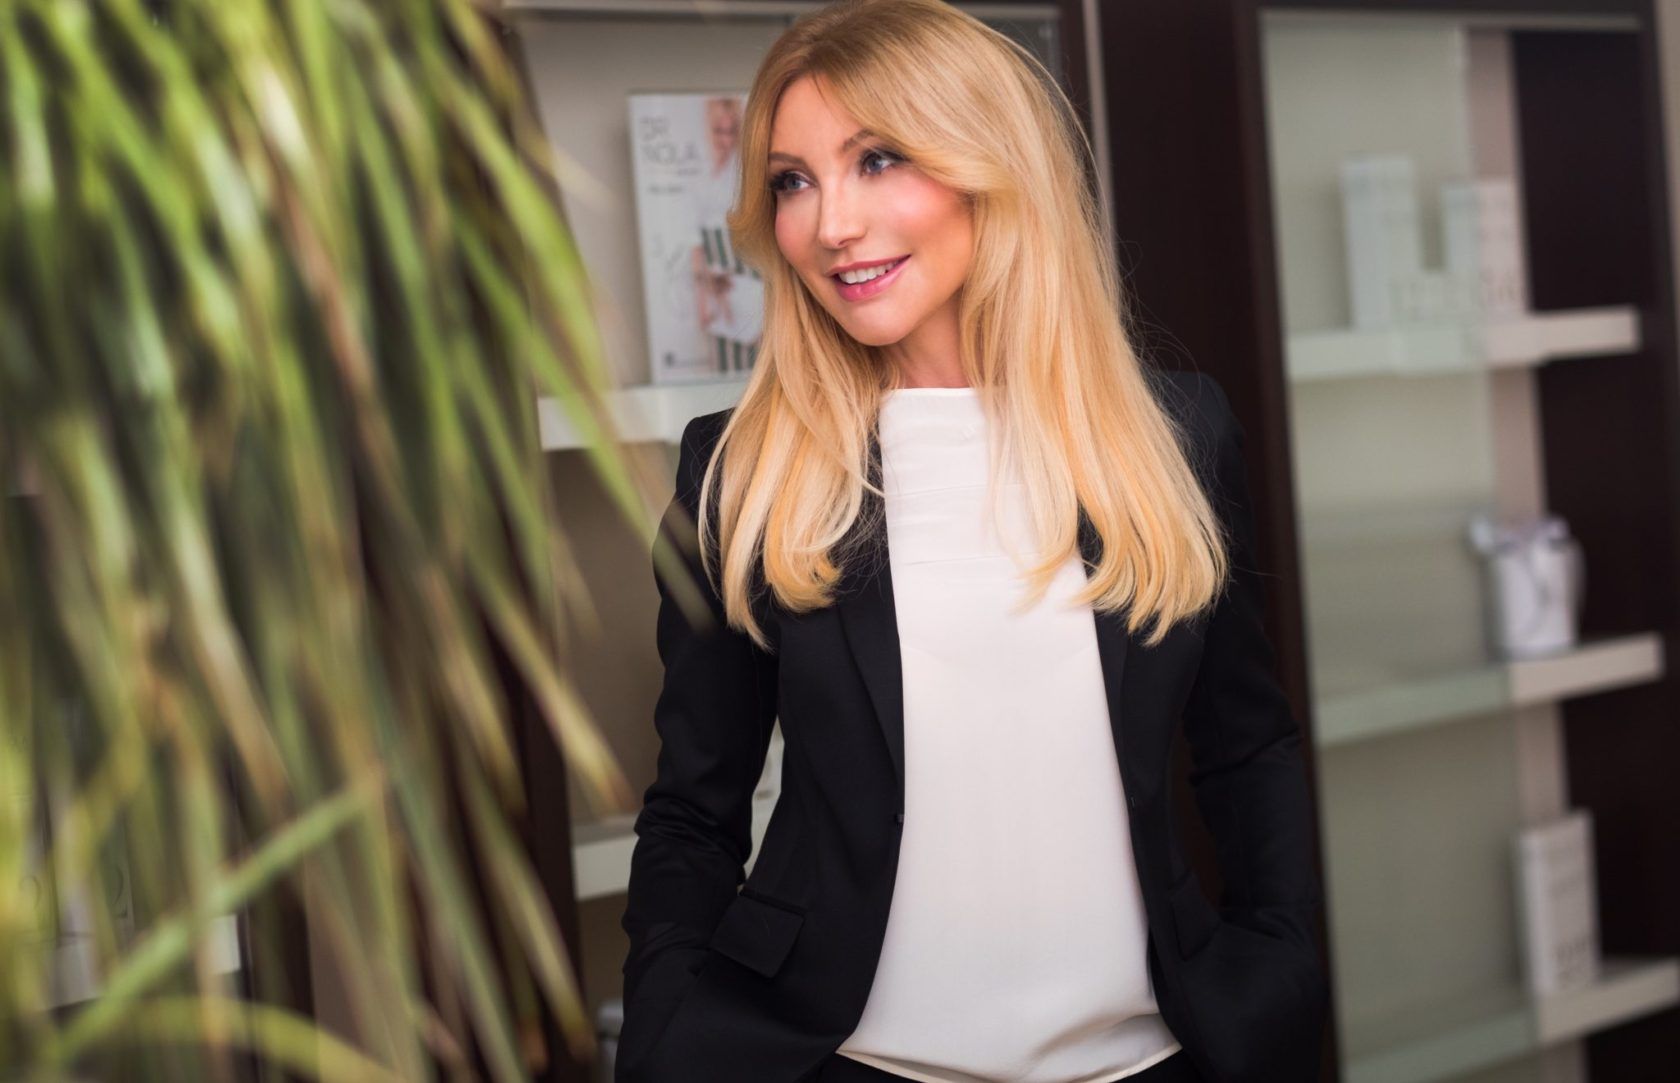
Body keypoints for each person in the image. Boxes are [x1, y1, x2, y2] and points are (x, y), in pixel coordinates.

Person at [615, 2, 1328, 1081]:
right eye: (793, 180)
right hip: (852, 1064)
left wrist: (1280, 962)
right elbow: (691, 814)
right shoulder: (741, 469)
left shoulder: (1176, 433)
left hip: (1153, 1060)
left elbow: (1246, 746)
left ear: (994, 166)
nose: (831, 224)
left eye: (878, 159)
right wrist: (667, 1039)